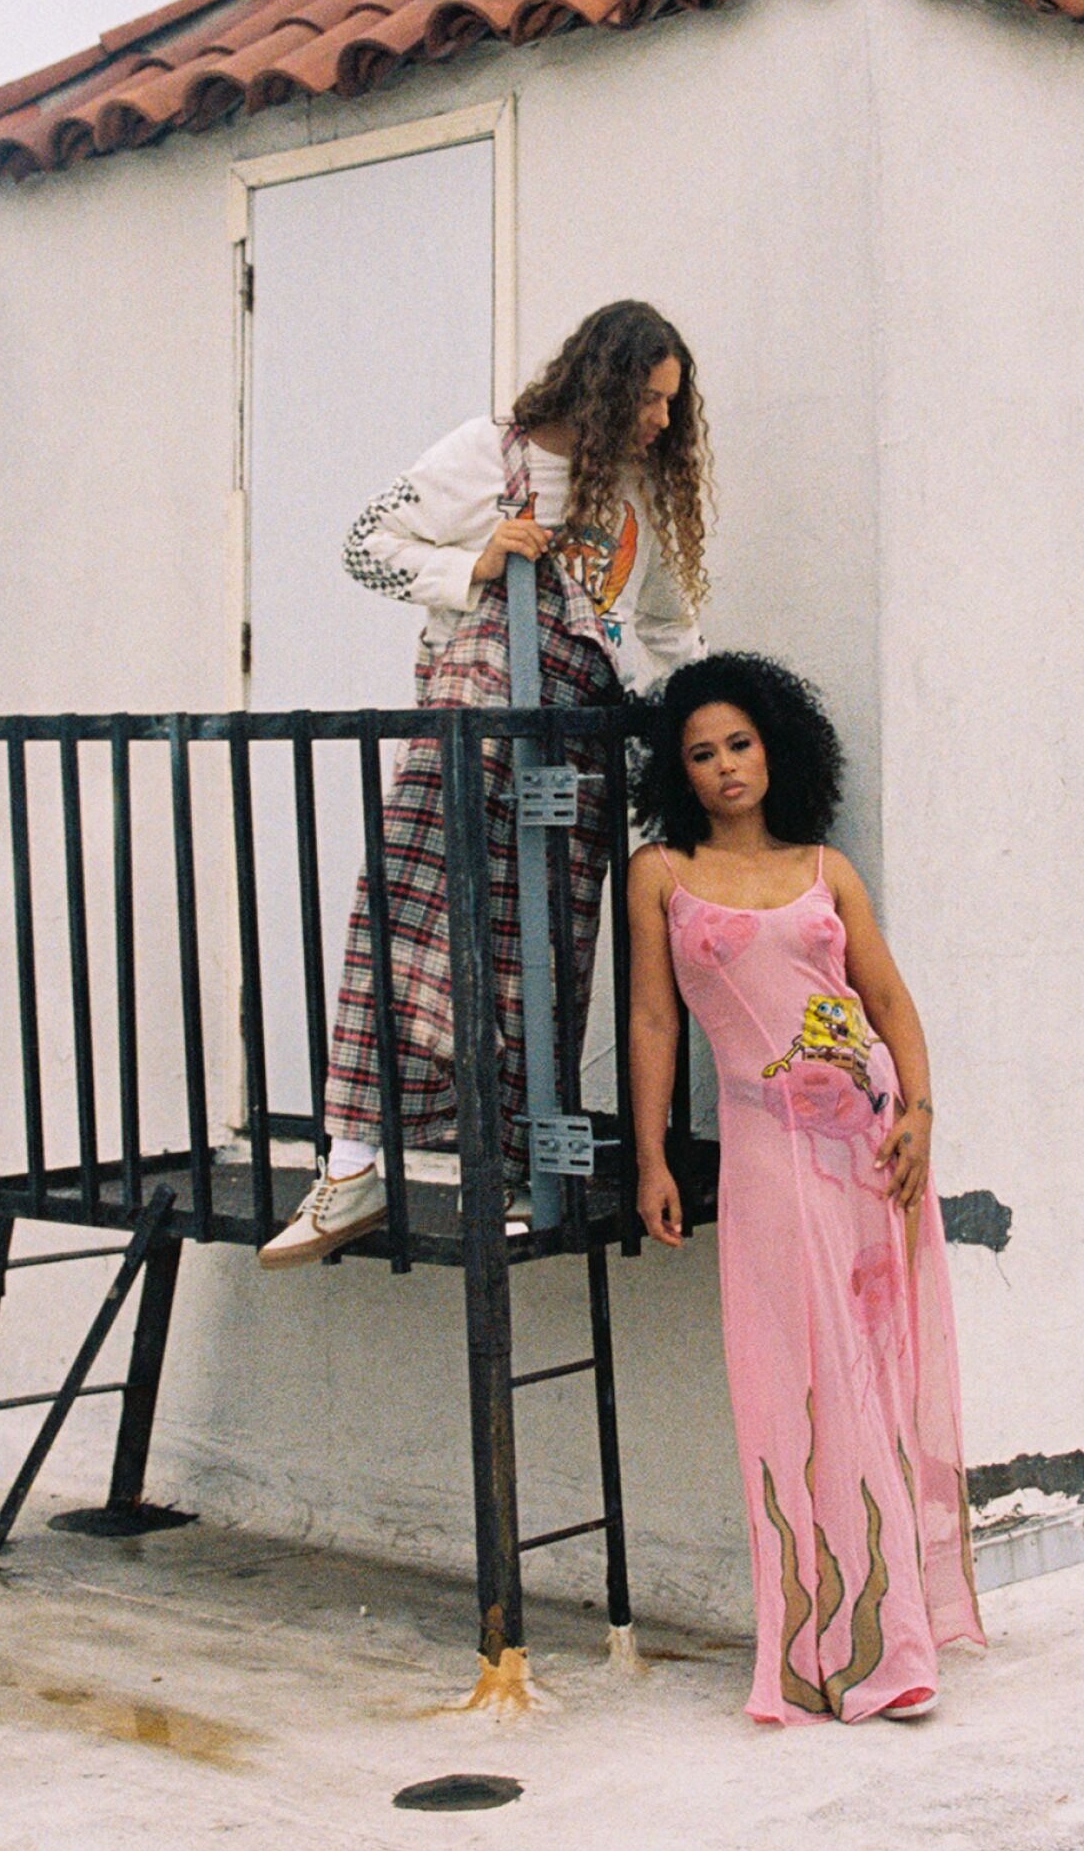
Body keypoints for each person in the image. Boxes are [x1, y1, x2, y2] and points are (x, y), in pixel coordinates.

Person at [261, 301, 708, 1267]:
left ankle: (512, 1170)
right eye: (653, 399)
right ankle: (351, 1168)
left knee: (540, 955)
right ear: (605, 384)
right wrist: (476, 561)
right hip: (470, 731)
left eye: (675, 405)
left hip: (574, 747)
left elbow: (666, 632)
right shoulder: (489, 454)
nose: (664, 422)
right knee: (412, 918)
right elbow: (361, 547)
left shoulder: (639, 496)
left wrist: (680, 733)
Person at [626, 654, 983, 1724]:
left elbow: (883, 999)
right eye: (702, 753)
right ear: (677, 772)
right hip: (766, 1151)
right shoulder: (658, 874)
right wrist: (652, 1159)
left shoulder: (825, 869)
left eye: (739, 743)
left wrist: (917, 1113)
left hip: (866, 1149)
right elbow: (653, 1021)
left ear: (774, 748)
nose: (726, 766)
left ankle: (892, 1647)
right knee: (792, 1384)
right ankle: (822, 1643)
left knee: (872, 1373)